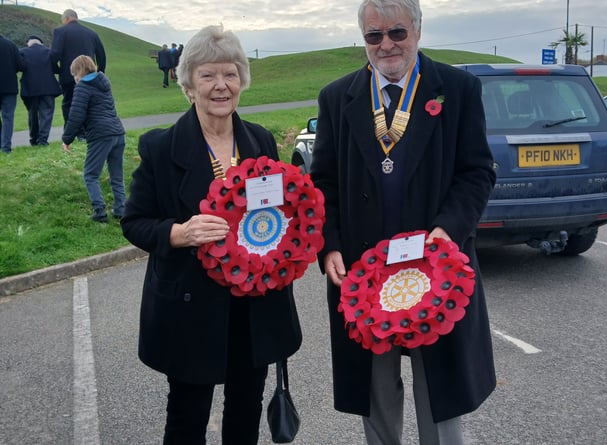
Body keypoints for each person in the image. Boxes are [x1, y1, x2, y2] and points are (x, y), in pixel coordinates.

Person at [309, 0, 497, 443]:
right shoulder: (337, 97)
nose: (387, 45)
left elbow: (477, 172)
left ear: (417, 30)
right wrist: (330, 244)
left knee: (440, 389)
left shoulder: (457, 88)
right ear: (364, 39)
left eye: (397, 32)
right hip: (364, 276)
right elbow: (323, 183)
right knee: (376, 391)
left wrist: (448, 231)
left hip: (437, 267)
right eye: (374, 36)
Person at [120, 25, 302, 444]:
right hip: (192, 306)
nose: (221, 85)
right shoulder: (161, 148)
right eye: (208, 75)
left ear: (242, 81)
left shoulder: (259, 140)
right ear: (188, 86)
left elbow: (280, 214)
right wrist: (178, 233)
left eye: (230, 74)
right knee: (187, 415)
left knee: (245, 408)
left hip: (253, 306)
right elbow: (135, 222)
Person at [61, 55, 125, 223]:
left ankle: (99, 211)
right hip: (118, 133)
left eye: (75, 75)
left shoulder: (83, 87)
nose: (75, 79)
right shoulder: (104, 82)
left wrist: (67, 139)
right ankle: (120, 209)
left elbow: (76, 116)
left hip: (100, 135)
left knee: (90, 175)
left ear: (79, 72)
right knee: (116, 175)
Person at [51, 9, 107, 130]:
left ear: (66, 19)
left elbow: (54, 54)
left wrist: (57, 70)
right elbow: (101, 55)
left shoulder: (60, 31)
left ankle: (72, 131)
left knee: (69, 104)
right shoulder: (92, 33)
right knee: (88, 104)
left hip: (68, 75)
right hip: (89, 76)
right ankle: (87, 130)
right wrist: (99, 72)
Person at [19, 35, 62, 146]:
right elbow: (56, 69)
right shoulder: (48, 51)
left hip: (30, 89)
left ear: (29, 43)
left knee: (32, 114)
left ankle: (33, 139)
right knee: (46, 114)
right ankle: (43, 140)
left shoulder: (22, 52)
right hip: (48, 88)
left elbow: (21, 67)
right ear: (41, 43)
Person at [0, 33, 23, 154]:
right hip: (9, 87)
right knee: (8, 117)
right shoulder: (11, 45)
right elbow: (20, 65)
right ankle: (6, 147)